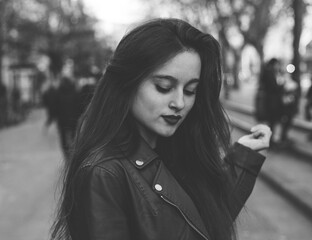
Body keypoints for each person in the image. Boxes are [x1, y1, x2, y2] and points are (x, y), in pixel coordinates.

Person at [51, 18, 271, 240]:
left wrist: (244, 160)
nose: (179, 103)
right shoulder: (104, 173)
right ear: (128, 83)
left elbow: (201, 226)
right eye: (163, 87)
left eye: (190, 90)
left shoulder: (175, 148)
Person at [256, 58, 283, 144]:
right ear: (273, 64)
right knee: (272, 121)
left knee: (270, 122)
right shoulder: (269, 73)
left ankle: (269, 140)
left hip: (269, 101)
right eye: (277, 64)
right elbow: (273, 87)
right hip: (271, 102)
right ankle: (270, 141)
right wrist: (282, 85)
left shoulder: (267, 72)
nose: (278, 66)